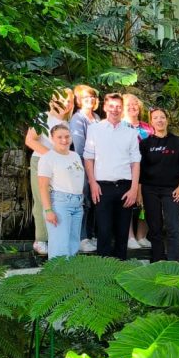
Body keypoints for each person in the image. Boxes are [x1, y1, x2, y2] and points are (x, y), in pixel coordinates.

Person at [84, 93, 141, 260]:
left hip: (125, 187)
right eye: (111, 106)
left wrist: (134, 189)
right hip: (102, 187)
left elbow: (135, 162)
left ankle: (121, 268)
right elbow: (88, 158)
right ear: (104, 107)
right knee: (104, 231)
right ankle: (103, 270)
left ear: (122, 109)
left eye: (118, 107)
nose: (115, 110)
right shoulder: (94, 129)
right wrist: (93, 183)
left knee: (122, 233)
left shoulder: (130, 132)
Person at [24, 88, 74, 256]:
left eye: (69, 101)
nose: (66, 104)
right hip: (41, 163)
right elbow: (30, 140)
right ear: (53, 100)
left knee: (56, 201)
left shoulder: (67, 122)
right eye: (63, 100)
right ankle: (40, 240)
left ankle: (55, 239)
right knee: (41, 199)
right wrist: (53, 156)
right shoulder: (43, 117)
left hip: (60, 167)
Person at [139, 108, 179, 262]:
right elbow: (140, 169)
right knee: (155, 228)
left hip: (172, 190)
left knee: (174, 227)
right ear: (151, 122)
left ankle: (174, 262)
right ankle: (158, 261)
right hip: (150, 190)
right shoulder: (145, 144)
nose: (159, 120)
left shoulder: (178, 141)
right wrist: (139, 193)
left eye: (162, 117)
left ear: (167, 120)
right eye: (155, 118)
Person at [36, 123, 85, 259]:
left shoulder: (75, 156)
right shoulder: (47, 158)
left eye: (67, 136)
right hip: (60, 204)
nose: (64, 140)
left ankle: (70, 273)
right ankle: (56, 273)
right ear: (52, 138)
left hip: (77, 204)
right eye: (60, 137)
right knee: (60, 247)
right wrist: (48, 211)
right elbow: (43, 186)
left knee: (73, 245)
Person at [70, 85, 100, 252]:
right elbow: (79, 147)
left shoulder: (96, 117)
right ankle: (81, 238)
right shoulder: (78, 118)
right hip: (82, 166)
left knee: (94, 201)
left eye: (92, 97)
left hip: (97, 167)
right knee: (84, 202)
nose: (90, 100)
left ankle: (91, 234)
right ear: (79, 100)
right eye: (86, 97)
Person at [123, 93, 155, 251]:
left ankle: (142, 236)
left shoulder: (148, 128)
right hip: (126, 169)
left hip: (147, 170)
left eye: (135, 103)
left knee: (146, 202)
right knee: (128, 202)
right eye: (128, 105)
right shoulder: (120, 126)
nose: (132, 107)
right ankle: (129, 236)